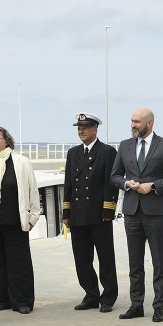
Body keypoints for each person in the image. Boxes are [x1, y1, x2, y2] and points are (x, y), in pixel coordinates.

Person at [110, 108, 163, 322]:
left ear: (149, 123)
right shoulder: (124, 146)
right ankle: (136, 305)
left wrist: (153, 185)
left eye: (137, 122)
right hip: (132, 211)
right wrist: (126, 183)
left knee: (159, 261)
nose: (133, 125)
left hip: (156, 213)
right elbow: (114, 176)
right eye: (132, 121)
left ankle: (159, 307)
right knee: (135, 262)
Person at [62, 113, 119, 313]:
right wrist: (66, 213)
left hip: (98, 215)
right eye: (78, 127)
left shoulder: (107, 152)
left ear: (95, 129)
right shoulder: (73, 153)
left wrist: (108, 211)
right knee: (82, 259)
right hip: (78, 216)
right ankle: (91, 295)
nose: (81, 131)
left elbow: (110, 183)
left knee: (105, 258)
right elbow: (68, 184)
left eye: (85, 127)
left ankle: (109, 296)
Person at [0, 127, 40, 315]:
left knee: (18, 263)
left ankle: (22, 301)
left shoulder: (21, 162)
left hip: (15, 221)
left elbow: (32, 191)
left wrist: (33, 218)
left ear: (6, 140)